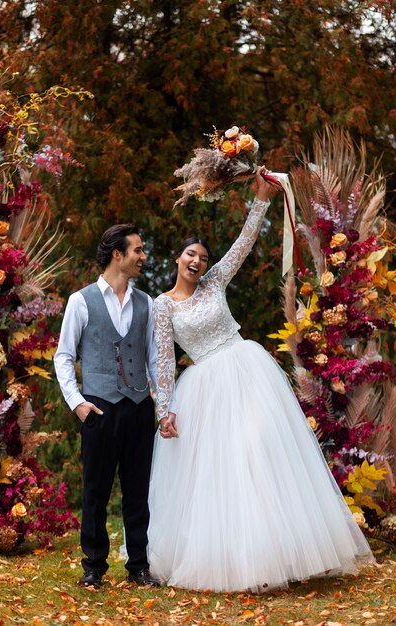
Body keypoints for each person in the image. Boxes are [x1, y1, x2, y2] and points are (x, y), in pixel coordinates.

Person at [147, 166, 374, 593]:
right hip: (203, 387)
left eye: (201, 255)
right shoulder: (162, 307)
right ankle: (236, 557)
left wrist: (262, 200)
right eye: (189, 254)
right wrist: (164, 411)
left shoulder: (215, 281)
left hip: (244, 367)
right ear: (178, 259)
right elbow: (162, 361)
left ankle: (286, 549)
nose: (197, 261)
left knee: (260, 448)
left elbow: (243, 246)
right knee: (222, 466)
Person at [54, 224, 160, 589]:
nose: (143, 257)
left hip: (138, 408)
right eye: (138, 250)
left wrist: (161, 405)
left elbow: (155, 360)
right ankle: (94, 567)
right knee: (95, 492)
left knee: (137, 492)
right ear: (118, 254)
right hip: (98, 407)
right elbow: (64, 357)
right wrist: (77, 404)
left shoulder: (147, 303)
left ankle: (139, 566)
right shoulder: (81, 301)